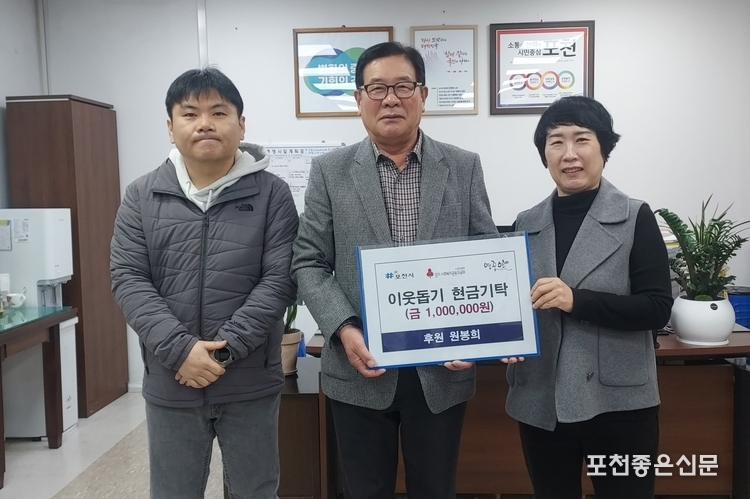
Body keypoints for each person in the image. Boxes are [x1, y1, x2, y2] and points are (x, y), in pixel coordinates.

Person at [291, 41, 497, 498]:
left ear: (422, 96)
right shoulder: (329, 171)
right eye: (377, 88)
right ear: (359, 99)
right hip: (359, 366)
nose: (390, 99)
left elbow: (485, 252)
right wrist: (344, 329)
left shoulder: (463, 166)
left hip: (441, 370)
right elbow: (309, 260)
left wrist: (476, 334)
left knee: (435, 490)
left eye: (403, 86)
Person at [110, 68, 298, 499]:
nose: (205, 123)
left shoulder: (272, 194)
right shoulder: (141, 195)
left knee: (255, 491)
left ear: (241, 125)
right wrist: (181, 351)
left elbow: (279, 280)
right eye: (190, 113)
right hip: (172, 379)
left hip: (249, 382)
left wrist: (223, 352)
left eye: (219, 112)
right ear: (170, 127)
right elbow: (129, 278)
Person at [503, 95, 673, 499]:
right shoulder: (525, 223)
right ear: (544, 154)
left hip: (618, 402)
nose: (569, 154)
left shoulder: (635, 216)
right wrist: (503, 337)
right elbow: (512, 303)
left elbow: (656, 308)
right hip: (540, 399)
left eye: (582, 139)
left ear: (603, 149)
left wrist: (576, 300)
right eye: (556, 142)